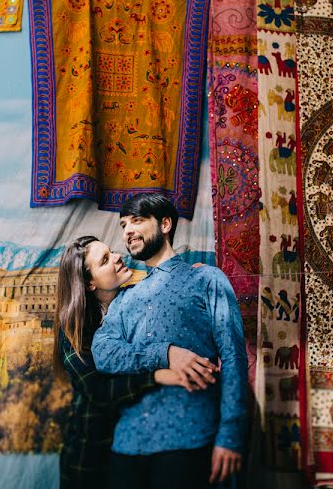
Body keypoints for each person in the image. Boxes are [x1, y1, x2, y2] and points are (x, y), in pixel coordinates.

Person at [91, 193, 247, 489]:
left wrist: (231, 435)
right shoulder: (126, 298)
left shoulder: (207, 280)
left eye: (137, 220)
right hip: (127, 445)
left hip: (189, 439)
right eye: (124, 224)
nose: (127, 230)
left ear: (165, 224)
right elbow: (104, 353)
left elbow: (234, 357)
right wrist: (166, 353)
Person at [54, 235, 208, 489]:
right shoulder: (73, 330)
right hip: (91, 452)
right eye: (105, 260)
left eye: (111, 252)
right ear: (90, 283)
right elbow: (98, 390)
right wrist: (157, 376)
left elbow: (164, 290)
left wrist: (191, 277)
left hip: (138, 444)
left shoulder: (134, 300)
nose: (117, 257)